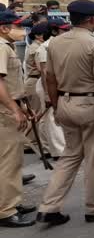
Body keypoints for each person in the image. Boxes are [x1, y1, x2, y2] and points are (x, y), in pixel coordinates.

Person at [36, 0, 94, 227]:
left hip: (65, 102)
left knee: (69, 156)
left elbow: (50, 78)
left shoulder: (55, 43)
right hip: (89, 105)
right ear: (90, 19)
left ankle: (49, 206)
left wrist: (56, 105)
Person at [0, 11, 38, 228]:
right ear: (4, 27)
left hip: (9, 108)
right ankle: (6, 210)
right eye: (17, 26)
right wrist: (14, 109)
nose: (22, 31)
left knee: (11, 161)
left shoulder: (6, 46)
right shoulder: (1, 47)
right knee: (8, 162)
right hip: (4, 112)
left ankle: (10, 203)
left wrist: (22, 107)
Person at [33, 20, 70, 159]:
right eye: (64, 30)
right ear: (54, 31)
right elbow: (44, 73)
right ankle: (59, 151)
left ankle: (47, 148)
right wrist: (49, 95)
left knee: (47, 119)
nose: (67, 32)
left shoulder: (61, 44)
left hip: (57, 83)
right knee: (52, 118)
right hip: (47, 85)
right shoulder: (45, 47)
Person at [23, 23, 52, 155]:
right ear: (38, 35)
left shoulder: (36, 46)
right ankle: (26, 142)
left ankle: (30, 142)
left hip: (33, 81)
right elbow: (41, 69)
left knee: (37, 114)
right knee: (37, 114)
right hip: (34, 81)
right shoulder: (37, 48)